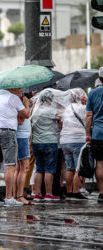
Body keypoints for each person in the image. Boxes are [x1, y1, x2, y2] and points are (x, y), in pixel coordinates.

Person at [0, 88, 30, 206]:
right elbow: (26, 114)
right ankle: (8, 198)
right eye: (19, 88)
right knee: (10, 166)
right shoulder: (13, 98)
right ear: (12, 88)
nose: (20, 91)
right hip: (7, 132)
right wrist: (26, 104)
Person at [31, 90, 61, 201]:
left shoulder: (35, 111)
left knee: (39, 168)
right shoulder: (50, 111)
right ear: (49, 99)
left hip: (36, 142)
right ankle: (48, 193)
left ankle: (38, 193)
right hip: (49, 141)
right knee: (49, 169)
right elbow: (63, 114)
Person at [59, 89, 88, 200]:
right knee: (77, 168)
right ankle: (76, 192)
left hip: (65, 140)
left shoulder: (65, 109)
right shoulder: (83, 108)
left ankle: (69, 191)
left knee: (69, 167)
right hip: (77, 140)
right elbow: (89, 119)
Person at [86, 70, 103, 202]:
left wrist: (87, 133)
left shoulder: (92, 93)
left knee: (100, 163)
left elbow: (89, 115)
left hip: (98, 133)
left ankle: (102, 193)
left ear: (99, 78)